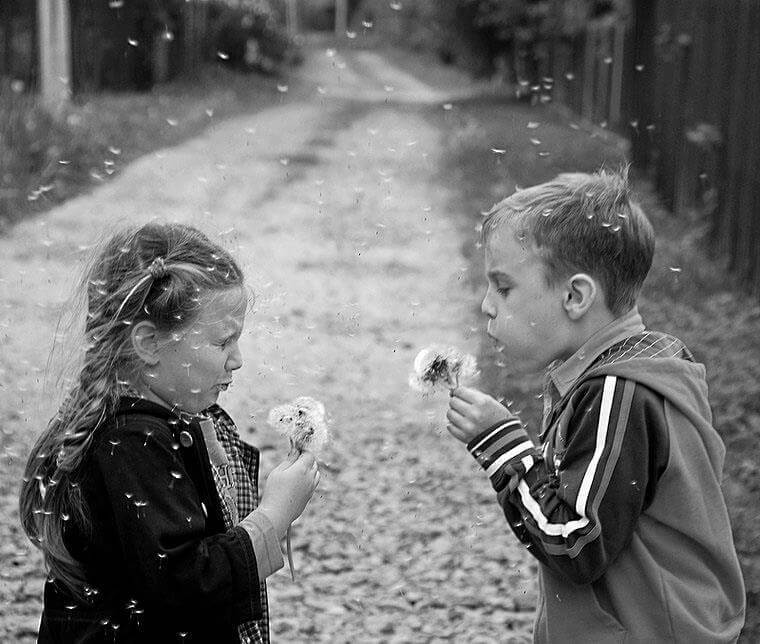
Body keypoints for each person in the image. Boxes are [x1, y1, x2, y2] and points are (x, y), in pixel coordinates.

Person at [446, 169, 746, 643]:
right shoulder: (636, 370)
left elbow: (574, 543)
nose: (487, 305)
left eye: (503, 288)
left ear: (575, 296)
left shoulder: (618, 393)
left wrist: (500, 444)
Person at [19, 222, 319, 643]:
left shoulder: (155, 425)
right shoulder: (132, 441)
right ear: (148, 344)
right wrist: (275, 515)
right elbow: (185, 584)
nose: (237, 360)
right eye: (222, 343)